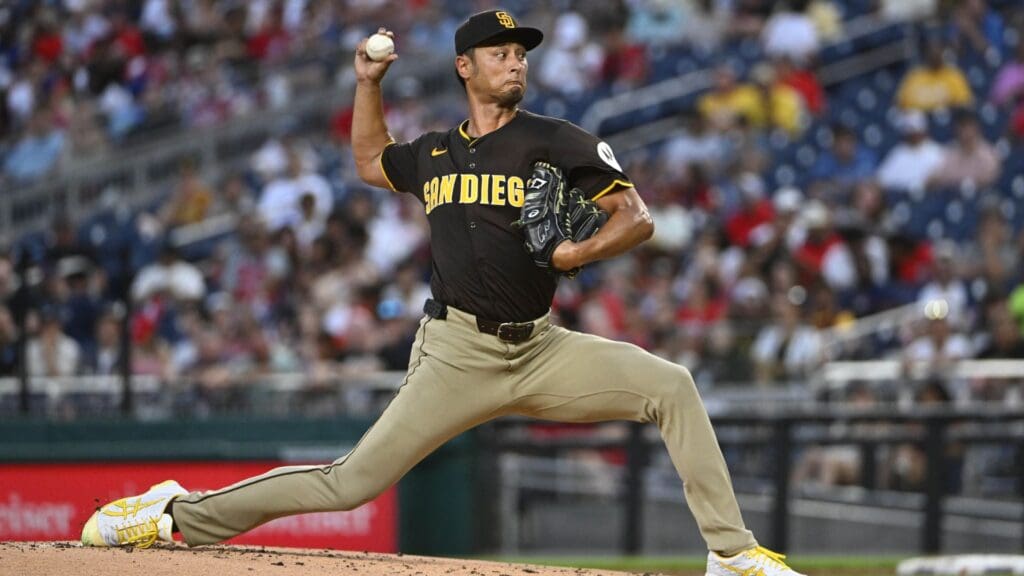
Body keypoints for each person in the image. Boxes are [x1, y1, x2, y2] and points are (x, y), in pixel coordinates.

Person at [81, 10, 806, 576]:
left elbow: (637, 217)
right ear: (466, 67)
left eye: (521, 52)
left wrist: (575, 250)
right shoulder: (434, 152)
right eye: (500, 52)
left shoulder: (556, 140)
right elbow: (369, 160)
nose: (515, 60)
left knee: (671, 385)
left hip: (542, 348)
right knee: (349, 484)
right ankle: (175, 512)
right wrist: (367, 82)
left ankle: (730, 551)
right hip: (456, 351)